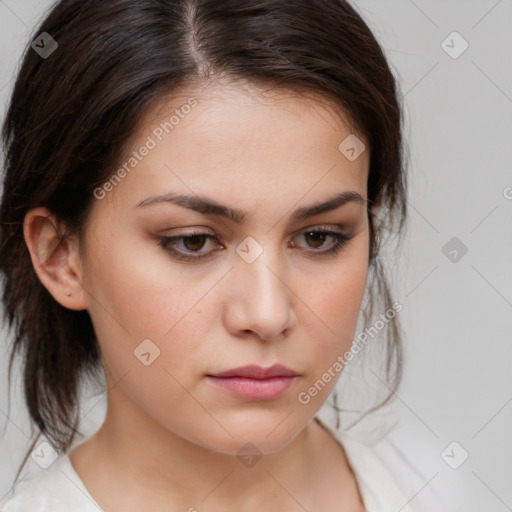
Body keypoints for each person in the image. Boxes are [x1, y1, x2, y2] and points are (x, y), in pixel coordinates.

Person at [0, 0, 420, 510]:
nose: (268, 315)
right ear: (61, 256)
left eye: (319, 237)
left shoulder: (436, 487)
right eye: (193, 241)